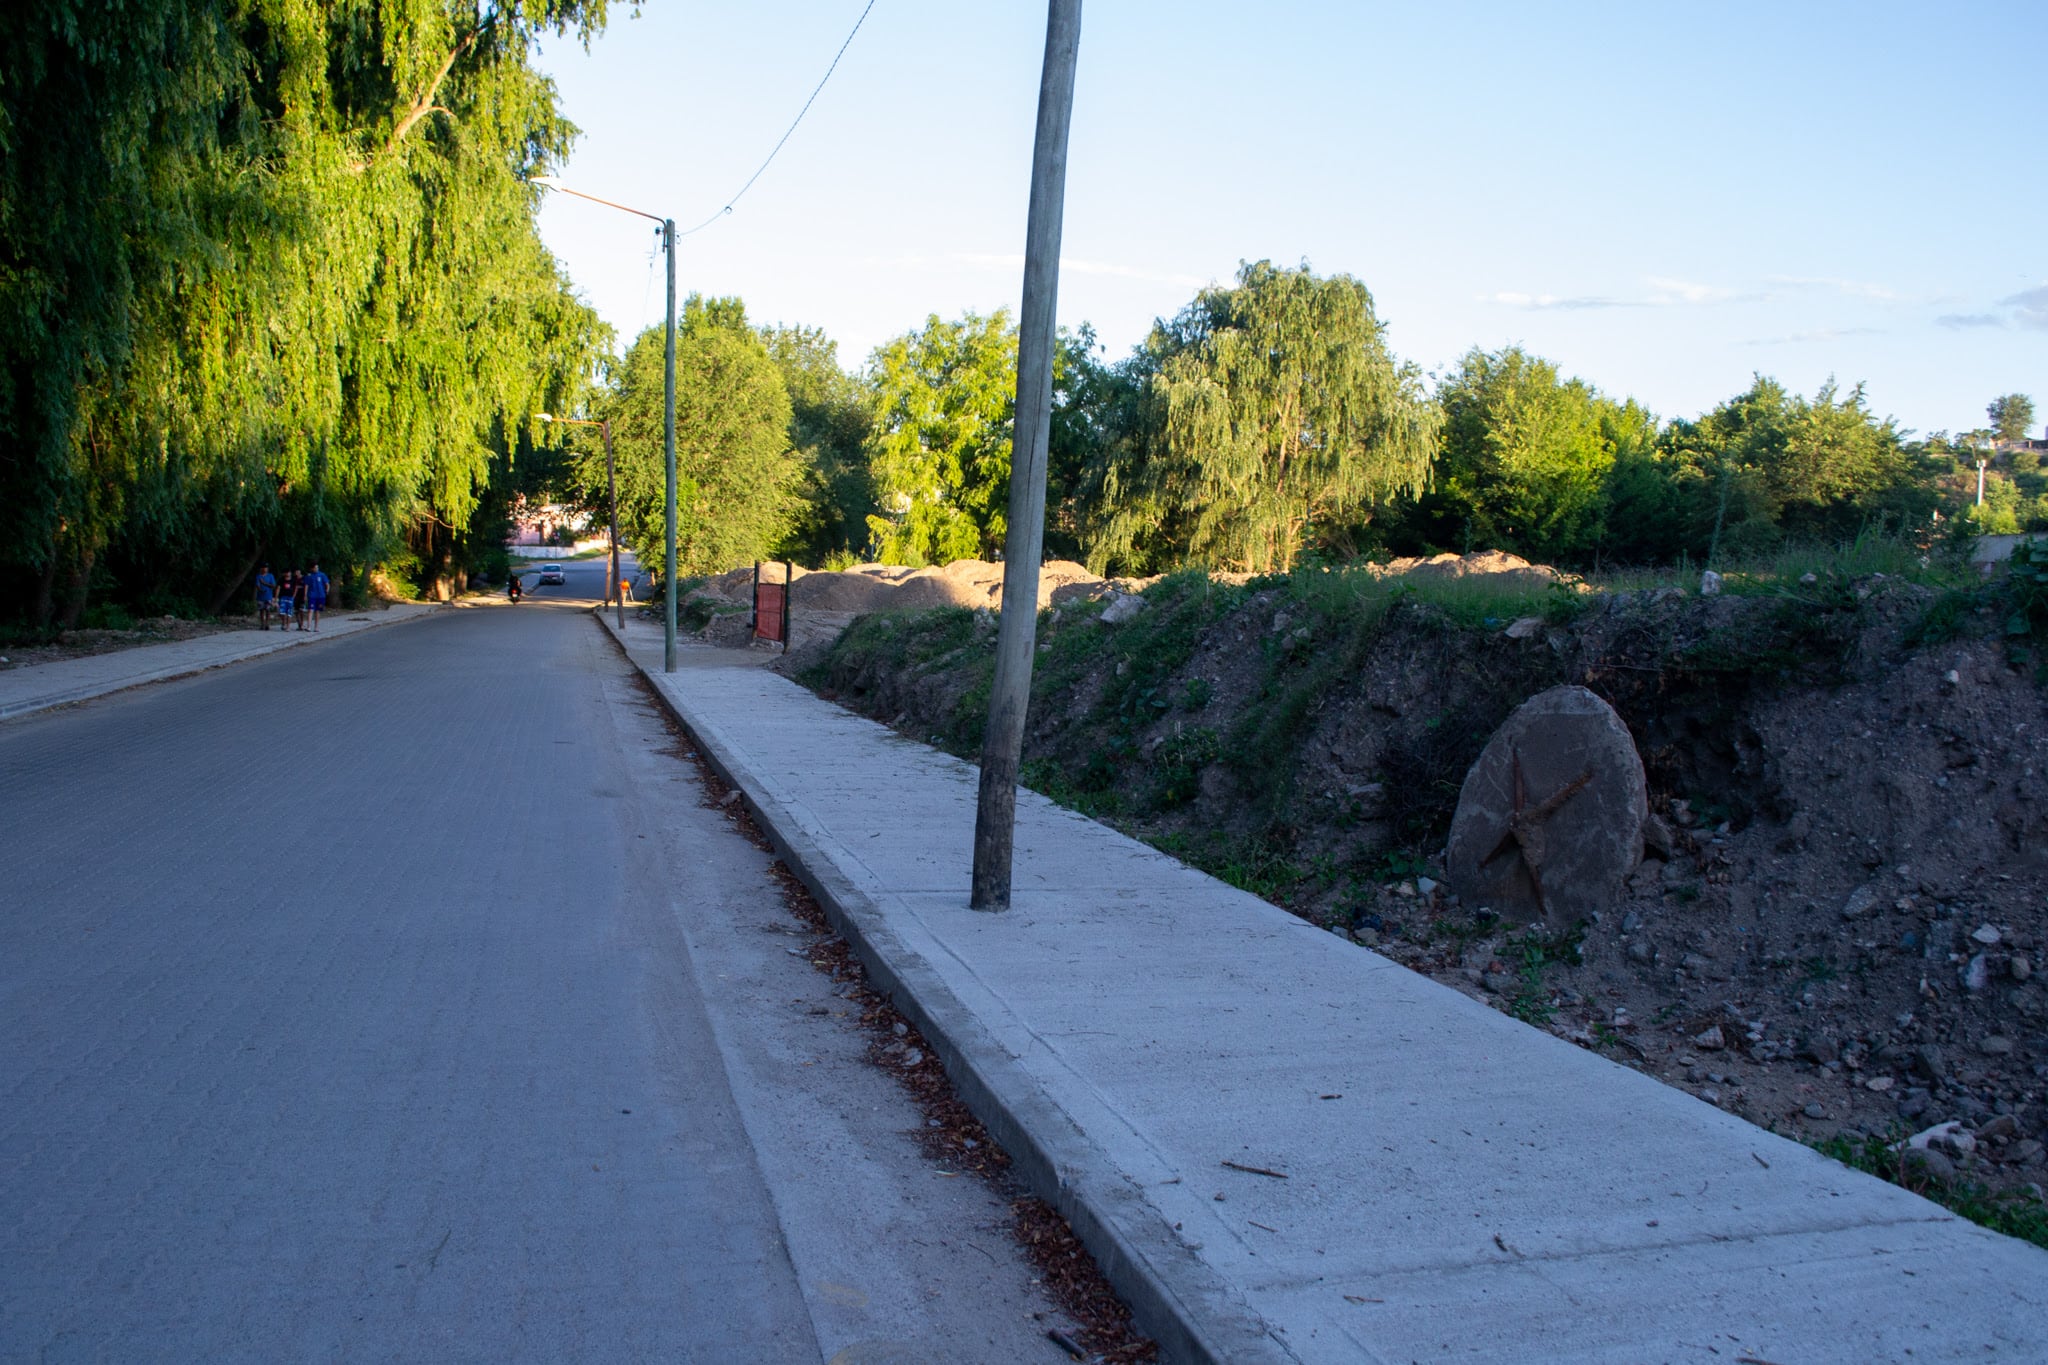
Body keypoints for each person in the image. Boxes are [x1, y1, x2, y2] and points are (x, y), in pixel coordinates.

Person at [304, 561, 329, 631]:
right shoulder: (309, 576)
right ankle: (308, 626)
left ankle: (316, 627)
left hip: (321, 595)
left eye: (317, 567)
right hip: (312, 595)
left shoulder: (322, 575)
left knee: (317, 611)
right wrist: (305, 595)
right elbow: (306, 585)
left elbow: (327, 583)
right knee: (310, 610)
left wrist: (327, 589)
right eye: (315, 568)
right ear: (312, 568)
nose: (316, 568)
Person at [254, 564, 276, 630]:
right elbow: (257, 585)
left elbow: (273, 585)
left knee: (268, 610)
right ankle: (262, 624)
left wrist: (264, 583)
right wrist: (260, 590)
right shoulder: (258, 576)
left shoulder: (270, 576)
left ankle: (267, 624)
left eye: (266, 568)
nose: (264, 569)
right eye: (263, 568)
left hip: (268, 596)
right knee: (261, 610)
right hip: (260, 596)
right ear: (261, 569)